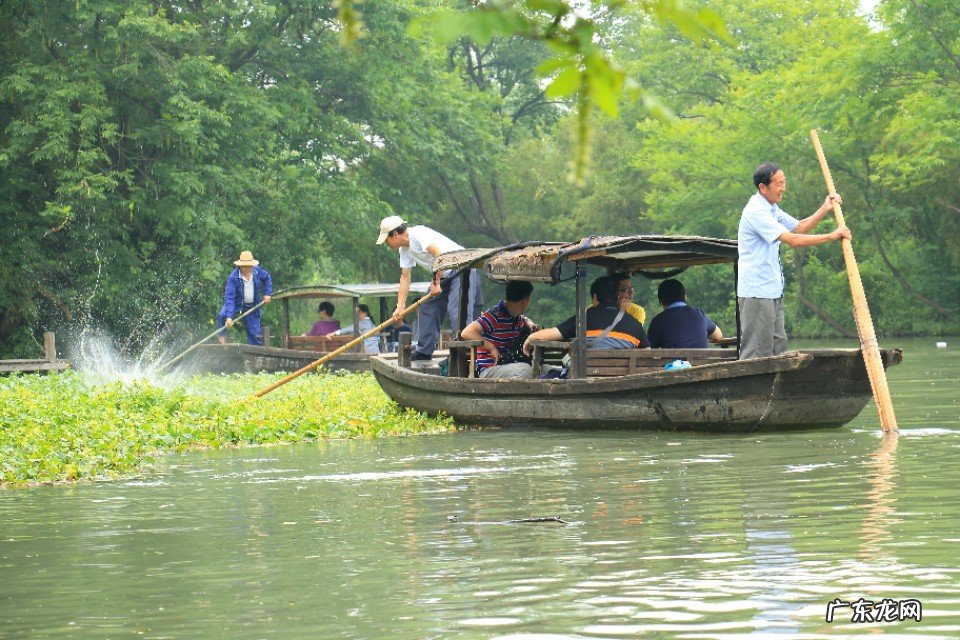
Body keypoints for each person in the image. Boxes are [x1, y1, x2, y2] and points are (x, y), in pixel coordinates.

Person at [738, 162, 850, 359]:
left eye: (784, 182)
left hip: (772, 290)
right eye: (778, 184)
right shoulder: (756, 211)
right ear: (763, 187)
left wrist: (825, 208)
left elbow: (799, 227)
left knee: (778, 348)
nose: (783, 188)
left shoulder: (772, 209)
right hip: (756, 291)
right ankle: (753, 389)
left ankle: (776, 390)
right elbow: (793, 240)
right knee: (757, 353)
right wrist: (832, 236)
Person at [377, 215, 482, 361]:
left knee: (457, 311)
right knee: (427, 306)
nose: (386, 243)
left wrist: (436, 282)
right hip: (443, 273)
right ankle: (424, 351)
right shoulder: (404, 251)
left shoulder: (418, 233)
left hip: (461, 267)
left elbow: (439, 255)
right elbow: (405, 278)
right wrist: (400, 307)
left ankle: (464, 351)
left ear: (394, 235)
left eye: (386, 239)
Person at [523, 275, 649, 356]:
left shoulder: (584, 318)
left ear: (595, 296)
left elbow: (551, 333)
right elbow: (648, 354)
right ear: (617, 297)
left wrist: (530, 338)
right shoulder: (635, 324)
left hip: (586, 377)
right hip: (622, 383)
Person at [461, 280, 539, 379]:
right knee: (525, 370)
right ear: (525, 300)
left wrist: (530, 324)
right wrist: (491, 347)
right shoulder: (494, 316)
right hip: (490, 369)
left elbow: (524, 319)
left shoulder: (517, 317)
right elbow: (467, 332)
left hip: (510, 366)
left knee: (548, 369)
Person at [216, 250, 272, 345]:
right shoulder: (233, 277)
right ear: (240, 266)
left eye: (249, 266)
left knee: (254, 334)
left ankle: (255, 355)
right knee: (222, 315)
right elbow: (230, 297)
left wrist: (267, 294)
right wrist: (229, 317)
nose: (246, 269)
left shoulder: (257, 271)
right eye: (244, 267)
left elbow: (267, 278)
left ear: (252, 265)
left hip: (252, 306)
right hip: (237, 304)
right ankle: (222, 336)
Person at [647, 279, 723, 348]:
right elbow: (718, 335)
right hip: (703, 363)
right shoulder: (699, 314)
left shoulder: (658, 321)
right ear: (685, 297)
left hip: (673, 363)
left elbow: (649, 351)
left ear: (661, 301)